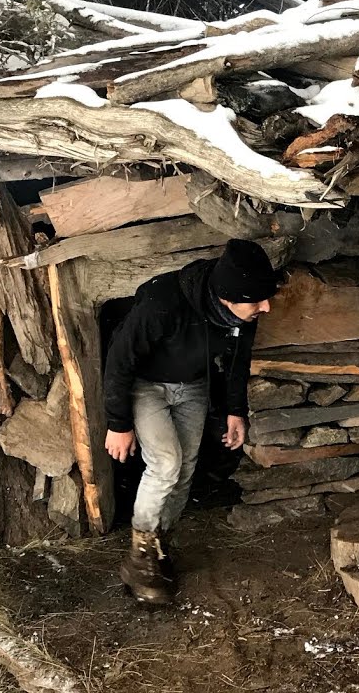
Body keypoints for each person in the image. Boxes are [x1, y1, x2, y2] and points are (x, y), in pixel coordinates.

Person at [103, 239, 277, 604]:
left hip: (193, 387)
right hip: (147, 386)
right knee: (166, 463)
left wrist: (235, 410)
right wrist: (118, 423)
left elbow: (237, 361)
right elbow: (120, 360)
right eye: (257, 299)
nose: (267, 306)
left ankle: (158, 547)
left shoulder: (239, 315)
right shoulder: (163, 303)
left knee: (185, 470)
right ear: (227, 296)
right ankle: (139, 556)